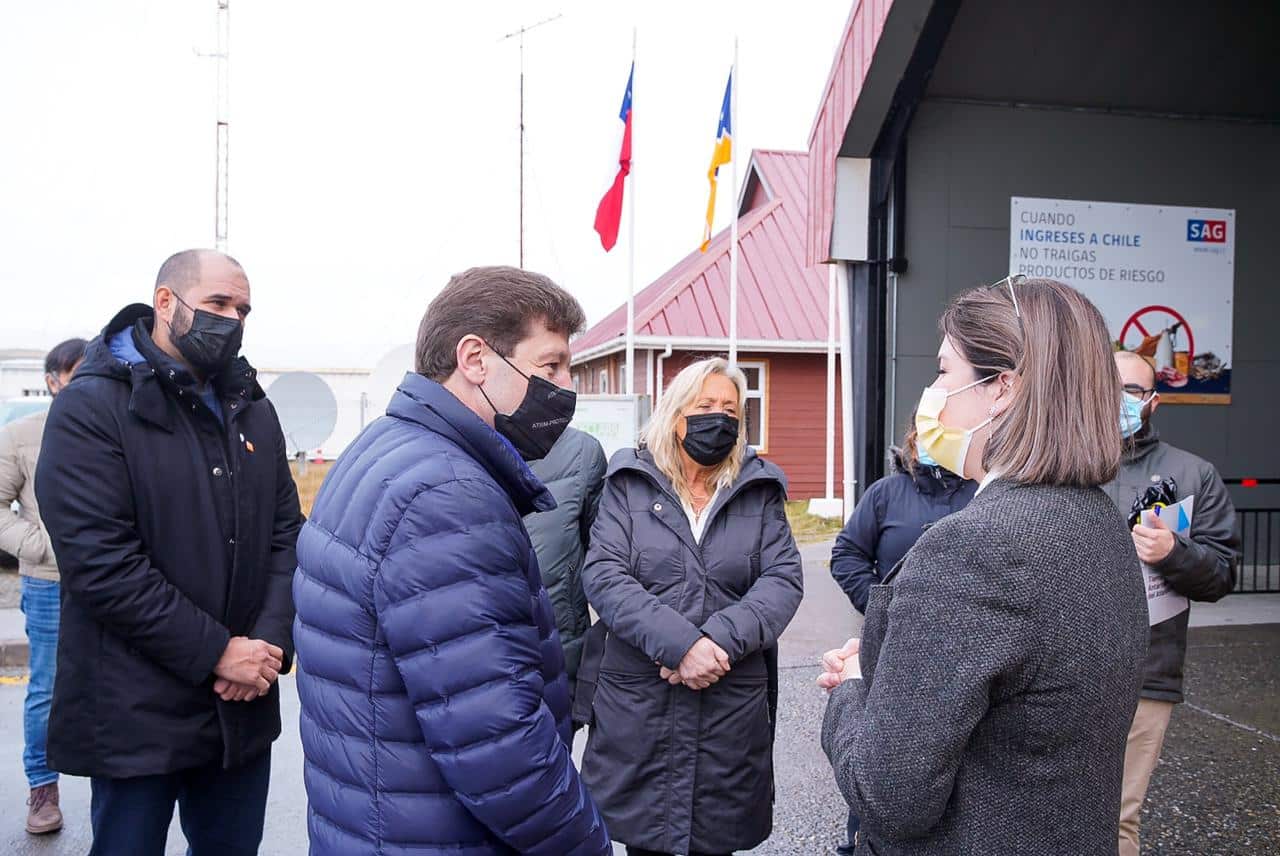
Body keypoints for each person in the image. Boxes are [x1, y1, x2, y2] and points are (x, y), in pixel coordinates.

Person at [817, 277, 1148, 855]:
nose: (932, 392)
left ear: (1003, 389)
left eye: (944, 372)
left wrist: (855, 689)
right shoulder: (1098, 521)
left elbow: (889, 797)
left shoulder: (975, 549)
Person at [292, 266, 610, 855]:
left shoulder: (383, 448)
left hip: (379, 822)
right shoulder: (449, 495)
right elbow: (499, 746)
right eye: (551, 366)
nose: (568, 388)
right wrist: (584, 843)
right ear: (475, 359)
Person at [35, 250, 303, 855]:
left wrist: (264, 645)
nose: (232, 320)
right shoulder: (92, 407)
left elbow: (288, 535)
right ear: (164, 303)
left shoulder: (253, 410)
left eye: (243, 310)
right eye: (217, 304)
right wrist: (217, 652)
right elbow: (101, 563)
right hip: (136, 714)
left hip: (240, 708)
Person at [579, 356, 804, 856]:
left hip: (728, 704)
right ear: (676, 412)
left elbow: (783, 580)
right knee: (645, 840)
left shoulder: (758, 489)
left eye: (730, 408)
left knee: (714, 839)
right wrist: (681, 647)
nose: (719, 417)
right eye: (705, 405)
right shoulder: (629, 481)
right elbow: (604, 575)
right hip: (641, 707)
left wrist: (716, 642)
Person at [1105, 350, 1239, 856]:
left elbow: (1222, 572)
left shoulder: (1193, 474)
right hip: (1060, 671)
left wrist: (1173, 553)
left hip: (1145, 674)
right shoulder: (1061, 464)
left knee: (1117, 820)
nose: (1117, 398)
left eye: (1131, 391)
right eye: (1107, 384)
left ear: (1153, 402)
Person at [826, 431, 976, 853]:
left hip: (965, 652)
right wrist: (881, 607)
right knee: (884, 756)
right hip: (891, 649)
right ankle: (862, 838)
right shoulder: (886, 493)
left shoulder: (987, 493)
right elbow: (848, 555)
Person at [0, 337, 86, 835]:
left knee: (120, 686)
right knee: (47, 688)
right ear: (53, 380)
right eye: (76, 374)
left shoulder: (116, 431)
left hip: (116, 584)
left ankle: (120, 786)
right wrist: (40, 547)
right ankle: (42, 788)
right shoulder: (20, 437)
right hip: (51, 584)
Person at [525, 425, 608, 709]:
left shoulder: (582, 453)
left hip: (561, 659)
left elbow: (603, 560)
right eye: (550, 375)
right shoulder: (442, 446)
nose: (562, 384)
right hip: (475, 666)